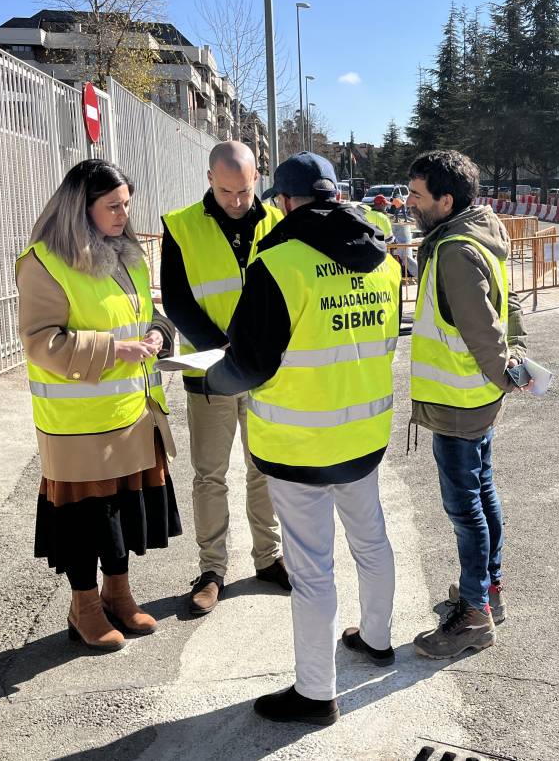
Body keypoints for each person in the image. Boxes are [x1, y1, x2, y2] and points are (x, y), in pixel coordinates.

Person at [204, 152, 401, 725]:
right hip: (363, 437)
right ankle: (378, 639)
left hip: (299, 447)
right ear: (336, 195)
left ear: (284, 202)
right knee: (371, 541)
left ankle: (316, 694)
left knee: (313, 570)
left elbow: (251, 363)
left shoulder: (279, 264)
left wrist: (214, 376)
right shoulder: (383, 262)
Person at [16, 159, 180, 652]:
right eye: (112, 206)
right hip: (76, 422)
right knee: (85, 518)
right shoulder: (43, 261)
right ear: (79, 208)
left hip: (131, 413)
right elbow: (41, 342)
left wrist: (158, 333)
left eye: (127, 205)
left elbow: (148, 315)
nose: (123, 215)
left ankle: (118, 594)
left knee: (121, 512)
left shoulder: (129, 255)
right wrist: (114, 351)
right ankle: (84, 605)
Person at [406, 149, 529, 659]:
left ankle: (474, 614)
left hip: (459, 403)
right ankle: (488, 591)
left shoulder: (455, 250)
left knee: (465, 510)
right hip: (474, 400)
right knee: (482, 492)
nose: (407, 201)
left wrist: (504, 368)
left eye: (416, 194)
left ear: (445, 200)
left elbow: (481, 327)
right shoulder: (480, 233)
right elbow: (509, 305)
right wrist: (515, 358)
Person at [161, 141, 289, 616]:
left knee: (265, 468)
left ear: (258, 177)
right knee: (210, 474)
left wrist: (256, 349)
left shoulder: (278, 223)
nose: (236, 200)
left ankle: (268, 558)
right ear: (209, 178)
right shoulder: (181, 226)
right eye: (225, 190)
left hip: (265, 374)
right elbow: (176, 300)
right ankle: (212, 569)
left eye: (244, 189)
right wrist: (224, 348)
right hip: (212, 371)